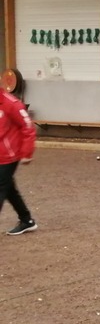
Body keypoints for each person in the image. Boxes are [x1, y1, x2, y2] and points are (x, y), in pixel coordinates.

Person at [1, 88, 37, 236]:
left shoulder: (12, 104)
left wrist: (27, 153)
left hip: (9, 155)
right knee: (9, 189)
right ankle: (26, 220)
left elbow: (28, 127)